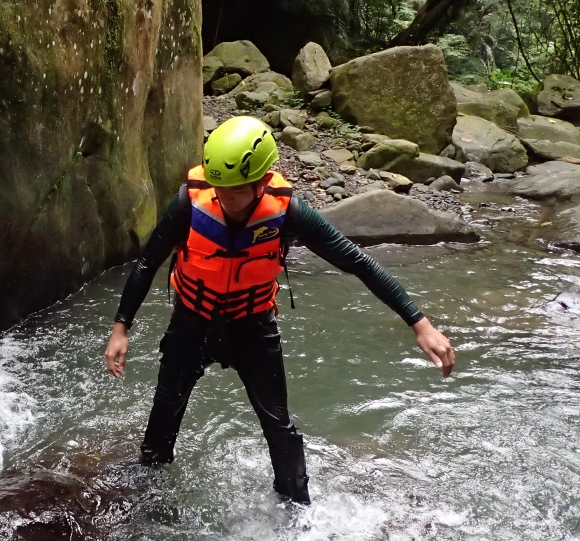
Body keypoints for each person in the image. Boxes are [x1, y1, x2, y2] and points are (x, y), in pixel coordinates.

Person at [103, 116, 455, 504]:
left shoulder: (289, 212)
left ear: (261, 182)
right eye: (219, 187)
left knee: (278, 423)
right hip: (192, 322)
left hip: (252, 327)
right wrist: (122, 327)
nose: (224, 197)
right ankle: (147, 496)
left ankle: (295, 508)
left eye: (235, 190)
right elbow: (146, 263)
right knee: (165, 408)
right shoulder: (189, 202)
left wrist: (419, 323)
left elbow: (356, 261)